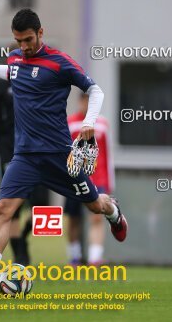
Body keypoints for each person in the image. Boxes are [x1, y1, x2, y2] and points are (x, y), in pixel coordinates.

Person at [0, 8, 128, 293]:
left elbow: (95, 91)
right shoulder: (15, 58)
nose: (23, 47)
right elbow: (10, 71)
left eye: (27, 40)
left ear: (40, 33)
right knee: (3, 210)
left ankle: (114, 212)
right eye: (18, 41)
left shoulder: (60, 63)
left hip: (60, 156)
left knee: (94, 205)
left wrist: (89, 122)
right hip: (24, 156)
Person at [0, 44, 49, 264]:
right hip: (10, 149)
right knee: (11, 206)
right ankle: (20, 254)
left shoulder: (37, 79)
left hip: (39, 149)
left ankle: (24, 239)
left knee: (44, 206)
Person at [66, 93, 114, 266]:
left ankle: (95, 257)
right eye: (84, 99)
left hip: (98, 178)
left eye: (90, 100)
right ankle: (74, 256)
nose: (86, 103)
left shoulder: (102, 124)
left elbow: (108, 155)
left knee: (97, 216)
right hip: (74, 178)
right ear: (80, 101)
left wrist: (109, 182)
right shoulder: (70, 123)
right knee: (73, 218)